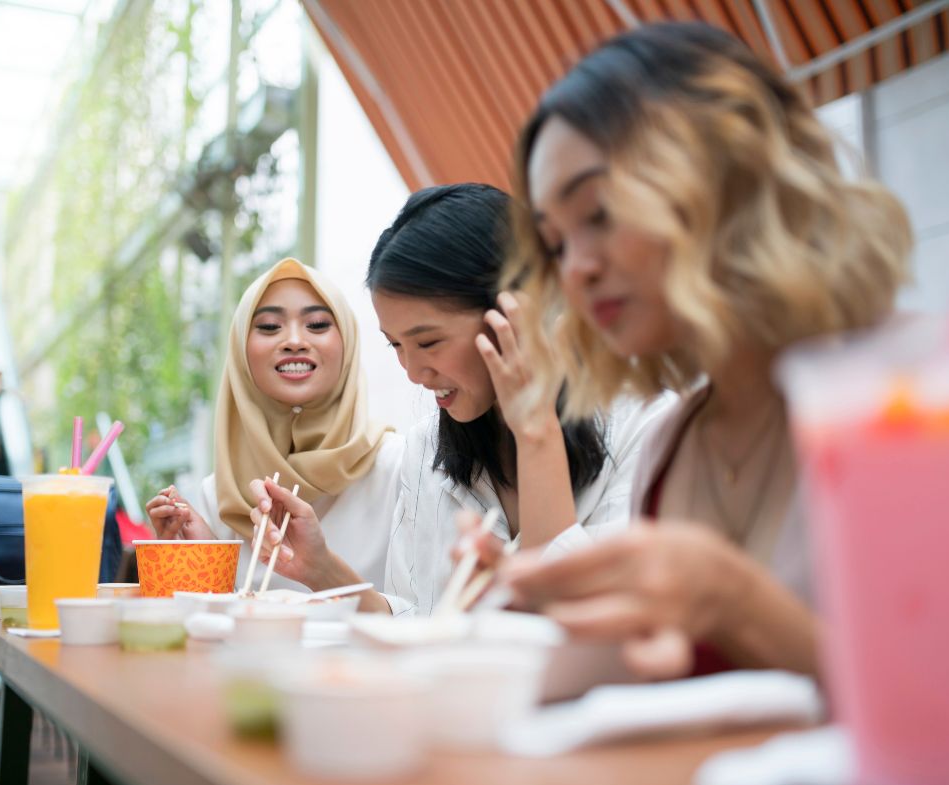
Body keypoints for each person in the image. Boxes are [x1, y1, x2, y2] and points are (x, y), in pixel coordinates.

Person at [471, 22, 910, 678]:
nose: (576, 270)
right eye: (556, 244)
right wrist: (535, 600)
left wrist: (735, 601)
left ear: (726, 175)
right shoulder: (672, 444)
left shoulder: (915, 395)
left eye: (599, 213)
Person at [254, 183, 655, 615]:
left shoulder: (645, 426)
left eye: (428, 342)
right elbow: (416, 623)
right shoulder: (427, 447)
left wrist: (535, 431)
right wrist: (322, 569)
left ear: (515, 313)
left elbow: (574, 632)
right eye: (396, 346)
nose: (413, 371)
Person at [145, 258, 402, 602]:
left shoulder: (398, 468)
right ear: (240, 352)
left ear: (348, 342)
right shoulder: (218, 493)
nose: (294, 341)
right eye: (268, 327)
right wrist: (203, 566)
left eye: (317, 324)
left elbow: (426, 617)